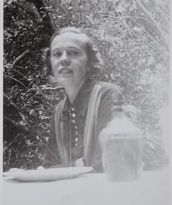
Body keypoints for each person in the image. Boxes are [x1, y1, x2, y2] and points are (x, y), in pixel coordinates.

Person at [45, 27, 126, 171]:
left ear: (90, 62)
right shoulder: (59, 112)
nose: (63, 59)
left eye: (73, 53)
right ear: (50, 64)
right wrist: (79, 164)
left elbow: (104, 163)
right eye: (57, 54)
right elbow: (49, 166)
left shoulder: (108, 96)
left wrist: (64, 168)